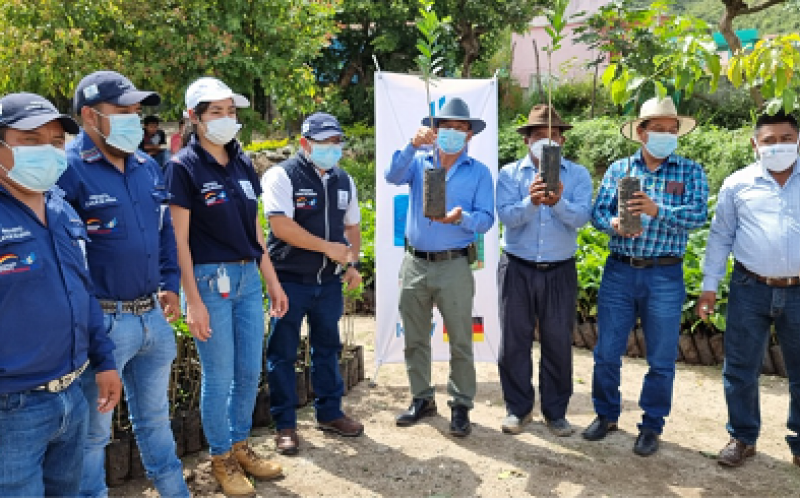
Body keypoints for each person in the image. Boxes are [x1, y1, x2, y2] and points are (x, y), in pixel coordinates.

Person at [58, 70, 191, 498]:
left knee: (156, 420)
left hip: (152, 315)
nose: (135, 120)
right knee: (93, 435)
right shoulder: (68, 170)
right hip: (105, 323)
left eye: (136, 111)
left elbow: (164, 231)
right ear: (89, 116)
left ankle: (175, 492)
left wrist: (170, 282)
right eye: (123, 111)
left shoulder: (146, 166)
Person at [166, 76, 287, 498]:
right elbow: (179, 240)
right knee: (219, 376)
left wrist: (271, 281)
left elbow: (255, 231)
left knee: (249, 371)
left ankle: (239, 446)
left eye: (230, 111)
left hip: (247, 278)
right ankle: (221, 458)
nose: (226, 118)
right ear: (193, 117)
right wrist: (192, 300)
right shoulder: (183, 167)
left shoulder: (242, 162)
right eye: (215, 111)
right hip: (207, 280)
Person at [0, 92, 121, 496]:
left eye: (55, 142)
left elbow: (82, 291)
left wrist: (104, 361)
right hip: (12, 410)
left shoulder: (61, 208)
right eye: (30, 140)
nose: (48, 152)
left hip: (72, 394)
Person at [584, 96, 708, 456]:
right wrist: (613, 223)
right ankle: (606, 415)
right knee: (607, 351)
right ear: (641, 132)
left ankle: (652, 426)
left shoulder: (690, 171)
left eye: (672, 130)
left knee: (662, 358)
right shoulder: (619, 169)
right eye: (659, 129)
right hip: (620, 270)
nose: (667, 135)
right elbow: (597, 213)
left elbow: (697, 216)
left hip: (665, 274)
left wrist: (657, 210)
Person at [385, 97, 495, 437]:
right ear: (435, 131)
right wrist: (411, 144)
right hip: (415, 262)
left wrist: (462, 218)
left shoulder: (479, 172)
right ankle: (422, 398)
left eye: (460, 128)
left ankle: (461, 405)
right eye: (446, 127)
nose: (453, 133)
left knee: (461, 339)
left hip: (454, 264)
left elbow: (487, 219)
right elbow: (392, 176)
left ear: (469, 135)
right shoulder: (419, 162)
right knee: (415, 338)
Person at [697, 110, 800, 470]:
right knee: (740, 367)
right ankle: (742, 437)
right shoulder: (737, 184)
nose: (778, 146)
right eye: (769, 141)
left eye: (786, 139)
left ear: (798, 140)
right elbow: (720, 237)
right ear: (755, 145)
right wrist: (709, 287)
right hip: (749, 286)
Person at [261, 112, 365, 456]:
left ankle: (330, 413)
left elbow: (351, 227)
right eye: (324, 142)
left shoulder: (344, 180)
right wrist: (327, 248)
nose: (332, 148)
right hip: (289, 280)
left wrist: (352, 263)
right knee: (283, 353)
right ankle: (285, 425)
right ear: (305, 143)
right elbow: (280, 226)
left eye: (336, 142)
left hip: (329, 283)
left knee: (328, 349)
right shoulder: (282, 175)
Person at [495, 104, 592, 437]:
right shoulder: (509, 174)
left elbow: (581, 217)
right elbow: (507, 217)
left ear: (562, 140)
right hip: (516, 267)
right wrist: (532, 202)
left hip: (559, 269)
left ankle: (555, 412)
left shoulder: (577, 175)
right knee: (514, 341)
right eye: (538, 135)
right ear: (526, 140)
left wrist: (558, 203)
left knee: (557, 341)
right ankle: (517, 409)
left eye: (553, 135)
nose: (545, 141)